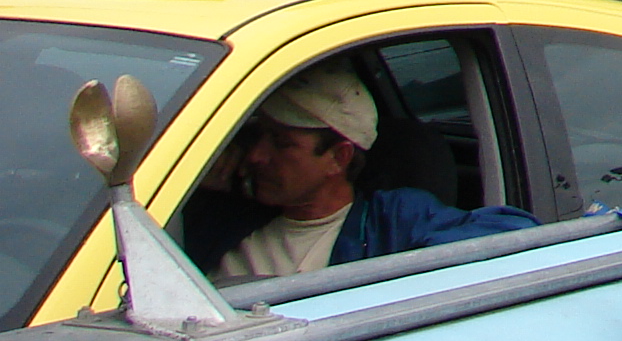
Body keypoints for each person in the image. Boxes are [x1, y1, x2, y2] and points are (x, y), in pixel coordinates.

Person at [195, 62, 534, 279]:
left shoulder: (389, 221)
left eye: (281, 144)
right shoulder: (223, 212)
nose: (256, 155)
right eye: (257, 136)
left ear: (338, 158)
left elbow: (516, 235)